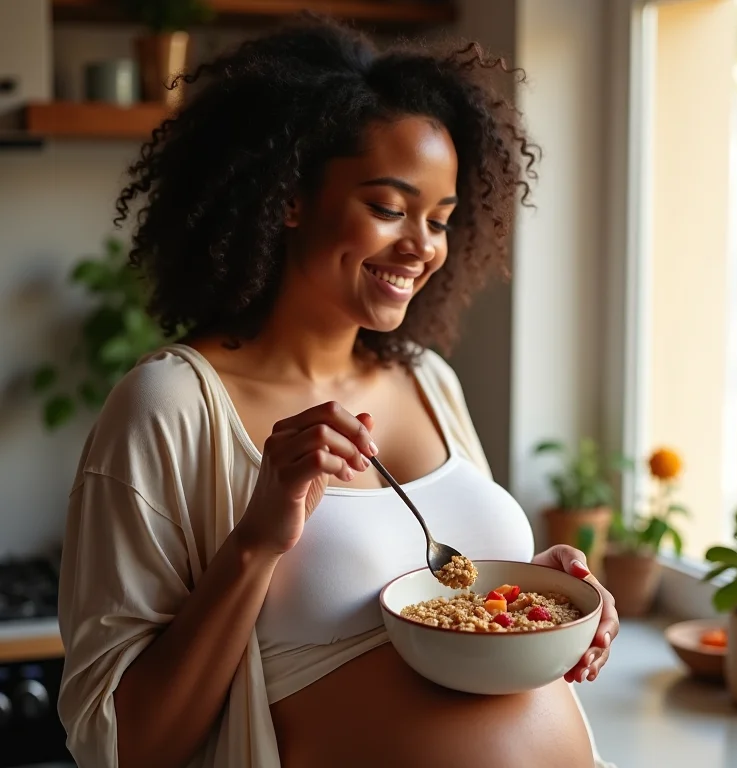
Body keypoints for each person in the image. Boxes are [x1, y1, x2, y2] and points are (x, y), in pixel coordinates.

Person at [57, 16, 619, 768]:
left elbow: (457, 606)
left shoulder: (427, 379)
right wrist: (259, 538)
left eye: (441, 220)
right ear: (290, 198)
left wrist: (530, 598)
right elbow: (127, 748)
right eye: (389, 208)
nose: (422, 246)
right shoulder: (171, 407)